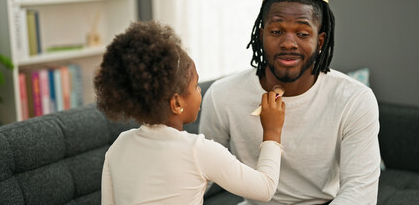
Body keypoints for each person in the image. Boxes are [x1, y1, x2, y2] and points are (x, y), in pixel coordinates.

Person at [199, 0, 380, 204]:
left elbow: (359, 192)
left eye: (303, 34)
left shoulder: (354, 99)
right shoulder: (222, 96)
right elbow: (202, 177)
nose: (288, 43)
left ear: (320, 41)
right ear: (261, 35)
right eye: (276, 31)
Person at [96, 21, 286, 204]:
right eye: (195, 87)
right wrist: (272, 131)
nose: (200, 92)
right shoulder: (198, 151)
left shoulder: (119, 146)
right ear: (177, 102)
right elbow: (265, 189)